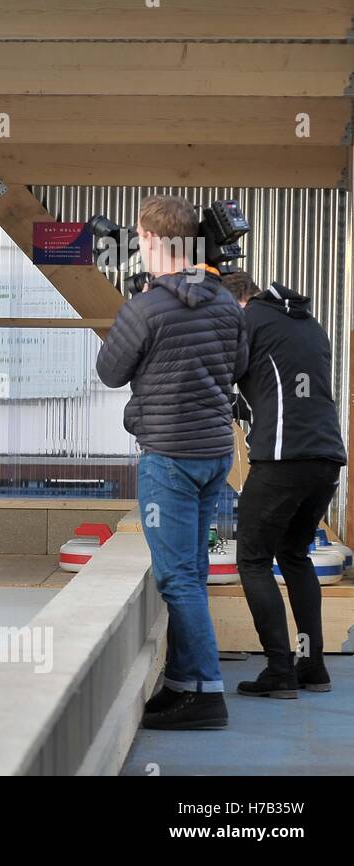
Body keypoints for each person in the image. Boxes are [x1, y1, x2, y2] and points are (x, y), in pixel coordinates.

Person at [95, 194, 248, 731]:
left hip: (170, 455)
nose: (137, 247)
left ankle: (206, 696)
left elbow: (110, 372)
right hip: (213, 454)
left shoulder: (146, 307)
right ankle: (184, 683)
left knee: (177, 577)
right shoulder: (226, 302)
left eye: (139, 239)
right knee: (195, 571)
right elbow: (241, 363)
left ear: (156, 242)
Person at [222, 270, 346, 697]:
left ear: (236, 302)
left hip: (282, 458)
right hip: (326, 456)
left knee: (253, 559)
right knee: (294, 554)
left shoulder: (247, 320)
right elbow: (283, 388)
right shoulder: (307, 323)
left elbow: (221, 375)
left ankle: (279, 669)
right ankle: (312, 665)